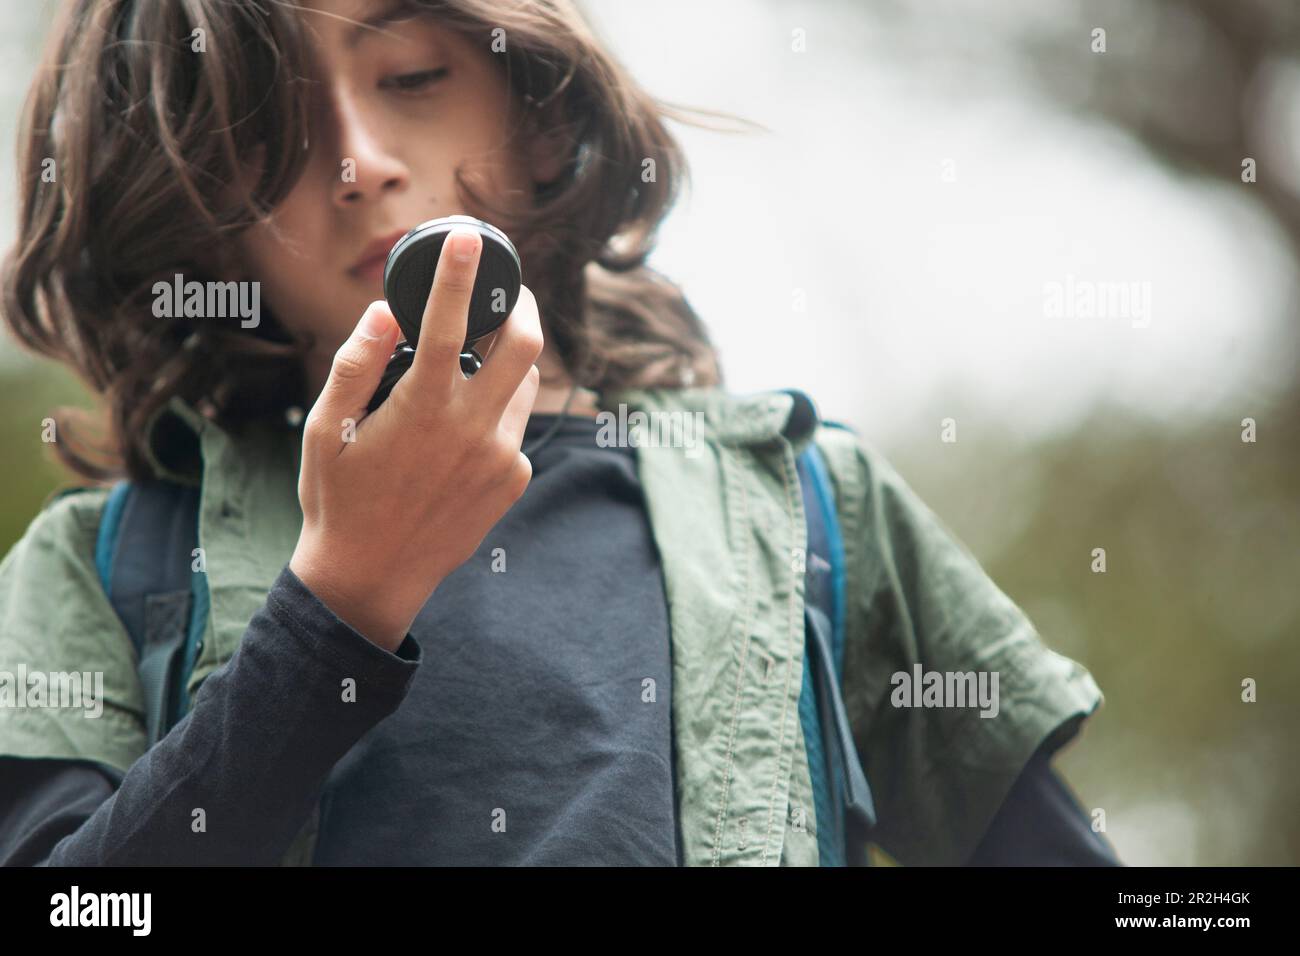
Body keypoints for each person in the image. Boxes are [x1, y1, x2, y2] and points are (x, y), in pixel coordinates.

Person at [0, 0, 1120, 867]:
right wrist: (338, 604)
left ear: (536, 112)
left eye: (415, 77)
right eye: (270, 127)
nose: (360, 162)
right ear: (201, 218)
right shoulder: (102, 567)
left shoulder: (814, 506)